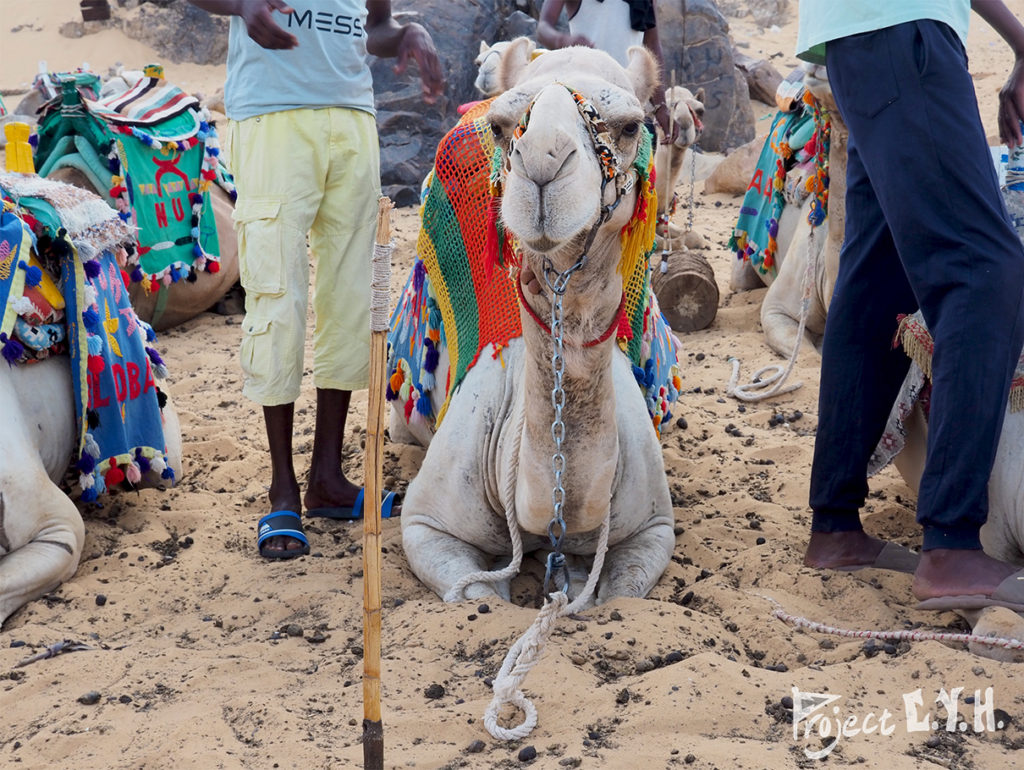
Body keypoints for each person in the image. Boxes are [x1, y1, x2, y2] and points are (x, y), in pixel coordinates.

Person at [187, 0, 443, 558]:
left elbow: (372, 27)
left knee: (349, 299)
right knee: (277, 294)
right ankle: (283, 488)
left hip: (352, 120)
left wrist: (406, 35)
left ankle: (328, 475)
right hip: (273, 116)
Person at [797, 1, 1024, 610]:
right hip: (900, 29)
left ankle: (835, 526)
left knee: (882, 273)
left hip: (865, 36)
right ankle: (950, 544)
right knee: (985, 269)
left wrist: (1018, 40)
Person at [537, 0, 678, 141]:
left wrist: (660, 106)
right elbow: (543, 27)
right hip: (584, 106)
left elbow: (652, 45)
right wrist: (563, 41)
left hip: (629, 107)